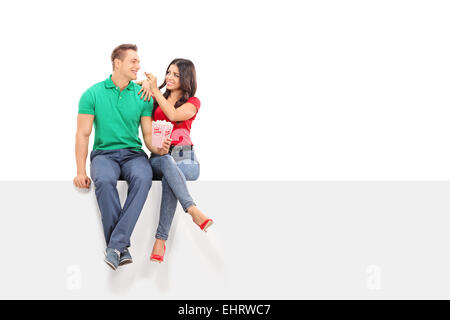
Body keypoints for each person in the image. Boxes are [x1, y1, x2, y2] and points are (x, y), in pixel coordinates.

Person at [73, 44, 171, 270]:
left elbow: (147, 135)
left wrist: (159, 148)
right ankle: (120, 247)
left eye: (138, 61)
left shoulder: (143, 95)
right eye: (133, 61)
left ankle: (115, 246)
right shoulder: (92, 94)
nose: (139, 66)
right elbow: (83, 134)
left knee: (143, 179)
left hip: (134, 155)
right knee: (105, 181)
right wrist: (80, 171)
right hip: (103, 154)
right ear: (117, 63)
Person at [137, 58, 213, 263]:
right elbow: (131, 85)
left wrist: (155, 92)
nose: (169, 77)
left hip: (186, 157)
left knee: (171, 177)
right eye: (168, 72)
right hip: (160, 156)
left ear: (186, 79)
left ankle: (160, 241)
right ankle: (193, 209)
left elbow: (173, 114)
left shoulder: (193, 103)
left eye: (176, 74)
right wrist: (146, 84)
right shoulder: (155, 98)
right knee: (168, 165)